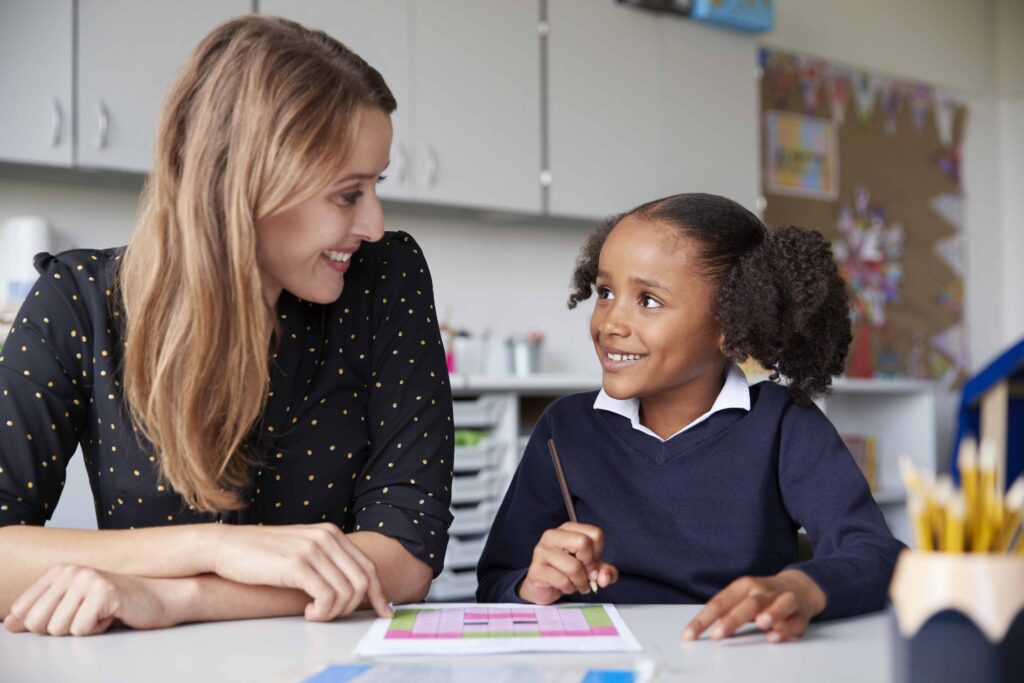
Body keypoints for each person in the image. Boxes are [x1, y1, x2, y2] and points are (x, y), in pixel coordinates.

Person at [0, 15, 454, 637]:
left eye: (377, 185)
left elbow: (405, 555)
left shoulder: (387, 277)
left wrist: (180, 598)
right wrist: (208, 548)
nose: (373, 223)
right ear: (248, 185)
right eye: (348, 194)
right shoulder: (77, 302)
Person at [476, 193, 905, 643]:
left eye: (648, 300)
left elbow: (878, 554)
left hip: (734, 656)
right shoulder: (564, 428)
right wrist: (533, 585)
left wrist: (798, 586)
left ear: (734, 327)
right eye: (605, 293)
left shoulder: (783, 426)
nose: (611, 322)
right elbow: (494, 583)